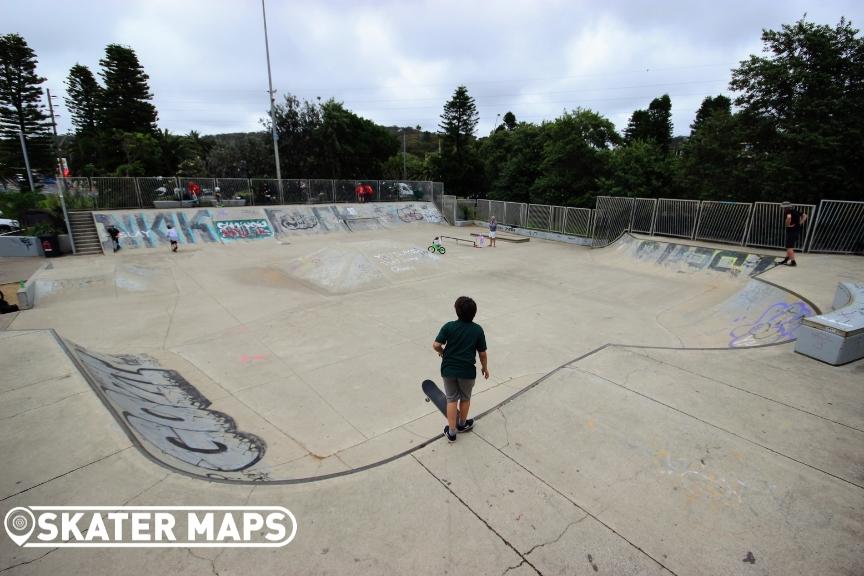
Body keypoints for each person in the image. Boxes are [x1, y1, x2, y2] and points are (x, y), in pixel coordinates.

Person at [433, 296, 489, 442]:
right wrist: (485, 368)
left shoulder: (449, 326)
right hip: (467, 372)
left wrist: (443, 352)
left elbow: (436, 344)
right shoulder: (477, 330)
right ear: (474, 313)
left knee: (451, 399)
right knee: (465, 398)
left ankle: (451, 433)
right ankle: (462, 425)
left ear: (456, 311)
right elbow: (482, 353)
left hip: (448, 370)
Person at [779, 202, 807, 266]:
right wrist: (800, 222)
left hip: (791, 231)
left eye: (783, 208)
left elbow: (789, 218)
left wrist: (787, 225)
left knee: (789, 247)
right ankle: (786, 259)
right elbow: (805, 215)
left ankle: (793, 262)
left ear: (786, 208)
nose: (783, 209)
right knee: (790, 246)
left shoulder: (788, 212)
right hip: (796, 230)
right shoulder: (795, 211)